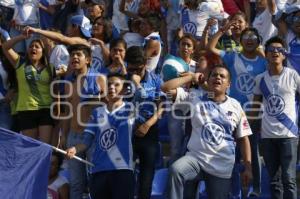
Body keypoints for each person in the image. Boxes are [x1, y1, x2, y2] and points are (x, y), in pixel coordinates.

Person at [66, 73, 163, 199]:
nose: (111, 88)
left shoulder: (131, 109)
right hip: (98, 171)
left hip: (123, 171)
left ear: (124, 90)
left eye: (116, 85)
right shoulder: (96, 112)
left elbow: (143, 95)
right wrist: (74, 149)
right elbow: (86, 142)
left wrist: (136, 82)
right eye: (109, 85)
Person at [162, 65, 252, 199]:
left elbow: (243, 138)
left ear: (228, 84)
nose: (218, 78)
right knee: (176, 170)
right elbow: (165, 88)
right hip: (195, 159)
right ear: (208, 80)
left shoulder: (235, 106)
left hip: (222, 165)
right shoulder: (195, 98)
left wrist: (248, 167)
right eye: (214, 75)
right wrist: (191, 76)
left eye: (222, 76)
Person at [208, 25, 266, 196]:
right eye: (246, 37)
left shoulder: (264, 62)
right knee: (231, 155)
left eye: (253, 38)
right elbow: (211, 48)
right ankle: (231, 191)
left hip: (254, 114)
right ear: (240, 41)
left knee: (252, 155)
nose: (249, 40)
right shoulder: (232, 57)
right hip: (232, 114)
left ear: (258, 42)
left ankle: (255, 190)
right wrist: (221, 30)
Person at [250, 36, 299, 199]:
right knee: (274, 181)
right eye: (271, 50)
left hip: (288, 135)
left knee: (289, 179)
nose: (275, 52)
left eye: (279, 50)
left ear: (284, 55)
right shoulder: (260, 79)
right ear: (266, 54)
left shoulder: (293, 76)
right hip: (267, 136)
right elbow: (255, 108)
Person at [62, 44, 106, 199]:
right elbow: (68, 111)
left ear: (88, 60)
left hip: (94, 137)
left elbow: (111, 106)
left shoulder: (100, 79)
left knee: (96, 181)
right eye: (72, 55)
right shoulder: (68, 83)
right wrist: (63, 135)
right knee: (75, 183)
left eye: (78, 55)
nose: (74, 57)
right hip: (73, 136)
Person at [2, 32, 55, 143]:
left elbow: (55, 90)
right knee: (30, 145)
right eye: (31, 46)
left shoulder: (50, 67)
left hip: (46, 109)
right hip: (26, 110)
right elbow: (5, 47)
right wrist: (22, 37)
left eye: (37, 47)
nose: (33, 48)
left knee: (44, 146)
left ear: (43, 51)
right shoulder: (20, 63)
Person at [126, 46, 165, 199]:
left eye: (137, 68)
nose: (134, 72)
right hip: (128, 132)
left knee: (146, 179)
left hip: (149, 131)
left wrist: (148, 124)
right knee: (126, 176)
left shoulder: (155, 80)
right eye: (131, 68)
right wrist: (136, 84)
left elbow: (162, 106)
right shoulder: (122, 80)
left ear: (144, 64)